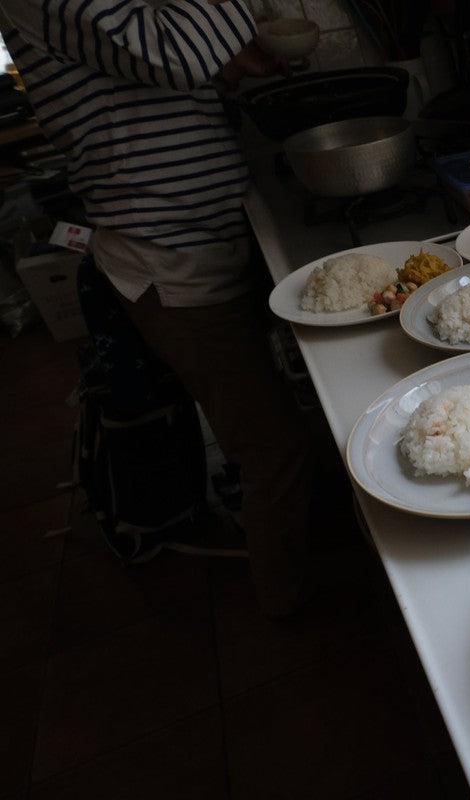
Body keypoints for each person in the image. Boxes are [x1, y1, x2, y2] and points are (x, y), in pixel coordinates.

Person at [1, 0, 314, 615]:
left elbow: (161, 75)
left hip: (202, 237)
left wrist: (233, 66)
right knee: (273, 449)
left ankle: (299, 555)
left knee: (273, 428)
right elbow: (176, 55)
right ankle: (293, 608)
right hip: (170, 257)